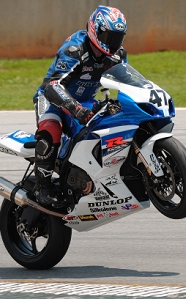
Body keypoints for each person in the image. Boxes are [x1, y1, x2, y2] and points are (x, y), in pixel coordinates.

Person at [32, 5, 128, 206]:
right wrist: (76, 109)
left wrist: (119, 102)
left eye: (117, 37)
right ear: (95, 29)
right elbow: (52, 86)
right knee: (51, 130)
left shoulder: (117, 54)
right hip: (52, 98)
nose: (113, 42)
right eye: (108, 36)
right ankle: (43, 187)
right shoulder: (75, 50)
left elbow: (125, 82)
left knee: (113, 122)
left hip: (85, 100)